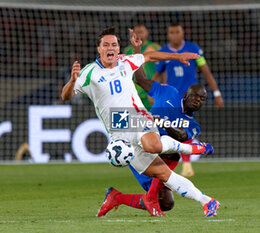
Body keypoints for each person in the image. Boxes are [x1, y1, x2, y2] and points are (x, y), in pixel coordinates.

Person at [61, 26, 220, 218]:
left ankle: (195, 150)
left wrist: (177, 57)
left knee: (153, 145)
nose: (110, 47)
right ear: (99, 49)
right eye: (106, 44)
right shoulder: (89, 72)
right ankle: (208, 201)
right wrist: (72, 81)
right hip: (117, 129)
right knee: (165, 175)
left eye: (114, 44)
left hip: (134, 115)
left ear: (119, 48)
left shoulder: (125, 61)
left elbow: (151, 57)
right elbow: (65, 96)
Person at [97, 35, 212, 216]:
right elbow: (141, 79)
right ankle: (149, 197)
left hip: (160, 154)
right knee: (168, 153)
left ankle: (116, 197)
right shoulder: (168, 92)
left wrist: (163, 123)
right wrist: (137, 52)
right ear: (185, 95)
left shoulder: (194, 125)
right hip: (140, 143)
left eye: (202, 99)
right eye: (195, 96)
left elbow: (181, 137)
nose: (197, 100)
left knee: (166, 203)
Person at [153, 23, 224, 177]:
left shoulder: (194, 49)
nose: (175, 35)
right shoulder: (163, 52)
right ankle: (167, 165)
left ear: (182, 32)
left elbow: (206, 71)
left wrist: (216, 93)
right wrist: (153, 95)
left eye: (177, 31)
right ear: (168, 34)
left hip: (189, 99)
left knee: (183, 130)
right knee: (170, 130)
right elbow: (157, 75)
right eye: (171, 32)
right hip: (171, 100)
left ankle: (186, 165)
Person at [124, 24, 160, 110]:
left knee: (154, 118)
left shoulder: (155, 47)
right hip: (134, 91)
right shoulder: (128, 50)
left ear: (147, 33)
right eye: (137, 32)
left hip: (151, 90)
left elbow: (163, 68)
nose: (139, 35)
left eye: (141, 32)